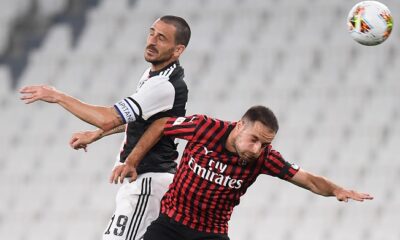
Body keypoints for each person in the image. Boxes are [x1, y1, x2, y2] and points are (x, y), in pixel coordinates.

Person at [20, 15, 191, 240]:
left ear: (178, 50)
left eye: (161, 38)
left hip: (148, 182)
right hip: (144, 181)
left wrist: (58, 96)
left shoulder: (164, 85)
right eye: (151, 33)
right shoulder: (154, 75)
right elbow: (139, 120)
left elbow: (108, 117)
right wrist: (97, 135)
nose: (152, 41)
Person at [110, 105, 373, 240]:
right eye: (254, 139)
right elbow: (161, 125)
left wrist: (336, 190)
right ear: (238, 126)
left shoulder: (264, 158)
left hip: (210, 234)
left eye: (265, 144)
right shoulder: (203, 128)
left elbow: (307, 179)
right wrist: (132, 160)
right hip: (170, 223)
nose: (258, 149)